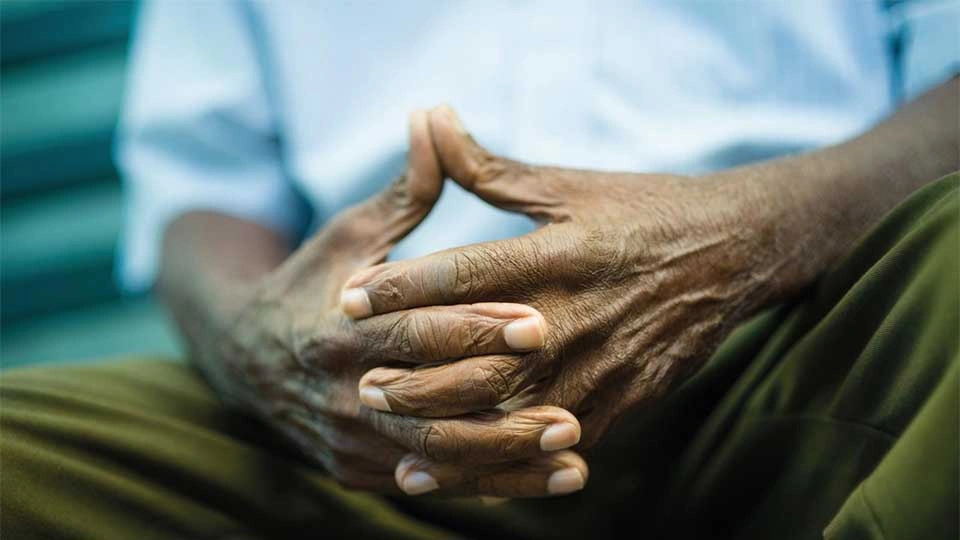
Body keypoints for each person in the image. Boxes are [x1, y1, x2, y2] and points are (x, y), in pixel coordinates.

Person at [1, 1, 957, 538]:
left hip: (804, 343)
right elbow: (202, 195)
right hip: (371, 426)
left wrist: (745, 241)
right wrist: (257, 339)